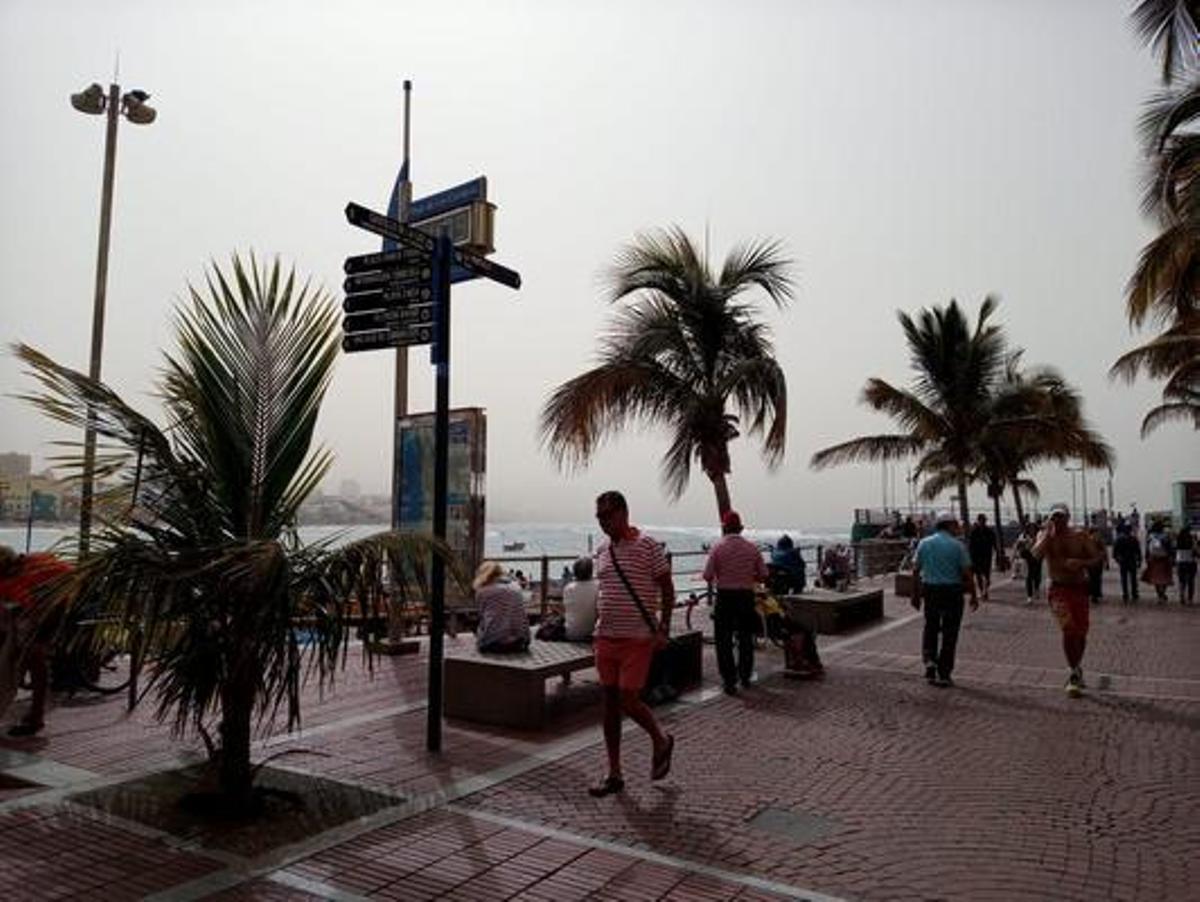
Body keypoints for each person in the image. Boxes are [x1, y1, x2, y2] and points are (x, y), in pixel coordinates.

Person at [588, 490, 675, 797]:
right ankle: (614, 772)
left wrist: (664, 627)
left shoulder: (648, 546)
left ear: (624, 513)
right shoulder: (602, 551)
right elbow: (605, 591)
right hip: (605, 637)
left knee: (628, 699)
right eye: (599, 517)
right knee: (610, 703)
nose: (603, 522)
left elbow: (667, 589)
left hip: (637, 639)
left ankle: (660, 739)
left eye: (607, 515)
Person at [1032, 503, 1106, 698]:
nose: (1058, 520)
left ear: (1068, 518)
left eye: (1061, 517)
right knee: (1068, 629)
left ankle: (1077, 666)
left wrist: (1081, 563)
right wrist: (1047, 536)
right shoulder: (1045, 536)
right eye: (1054, 517)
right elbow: (1035, 555)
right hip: (1057, 589)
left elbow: (1097, 558)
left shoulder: (1079, 536)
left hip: (1079, 588)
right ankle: (1073, 672)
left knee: (1080, 633)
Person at [0, 545, 72, 737]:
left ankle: (36, 717)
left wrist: (41, 636)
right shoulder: (11, 575)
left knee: (36, 661)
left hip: (54, 612)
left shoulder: (39, 569)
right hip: (29, 614)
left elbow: (57, 603)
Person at [702, 510, 768, 695]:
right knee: (745, 637)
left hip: (725, 597)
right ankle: (745, 676)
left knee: (723, 640)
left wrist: (721, 577)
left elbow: (707, 575)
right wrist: (749, 577)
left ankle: (729, 680)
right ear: (741, 529)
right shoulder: (752, 548)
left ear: (724, 528)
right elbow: (764, 574)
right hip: (746, 596)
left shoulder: (717, 548)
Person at [911, 511, 978, 687]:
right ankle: (944, 672)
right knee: (950, 632)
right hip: (952, 592)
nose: (958, 527)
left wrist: (915, 594)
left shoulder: (924, 543)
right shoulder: (958, 546)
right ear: (949, 525)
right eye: (956, 524)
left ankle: (930, 661)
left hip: (931, 590)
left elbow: (916, 570)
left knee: (931, 627)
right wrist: (974, 595)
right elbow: (967, 573)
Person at [472, 560, 530, 653]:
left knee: (480, 627)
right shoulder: (516, 587)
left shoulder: (483, 591)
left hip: (495, 643)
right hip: (521, 642)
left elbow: (482, 615)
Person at [562, 556, 598, 640]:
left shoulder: (568, 588)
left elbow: (566, 609)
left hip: (571, 633)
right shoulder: (598, 586)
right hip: (593, 633)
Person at [968, 514, 997, 602]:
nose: (982, 522)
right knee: (979, 575)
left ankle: (985, 591)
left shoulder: (989, 532)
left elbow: (994, 543)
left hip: (986, 556)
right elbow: (970, 545)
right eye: (981, 520)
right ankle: (982, 591)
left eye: (983, 520)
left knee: (986, 575)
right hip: (976, 556)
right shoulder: (974, 532)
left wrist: (998, 553)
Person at [1144, 520, 1174, 603]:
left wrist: (1147, 557)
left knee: (1155, 578)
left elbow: (1147, 549)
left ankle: (1159, 594)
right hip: (1164, 559)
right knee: (1165, 577)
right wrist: (1171, 557)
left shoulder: (1150, 536)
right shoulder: (1166, 536)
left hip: (1154, 559)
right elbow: (1170, 548)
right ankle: (1163, 592)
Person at [1014, 522, 1043, 605]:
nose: (1031, 530)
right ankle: (1029, 596)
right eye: (1030, 528)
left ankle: (1036, 588)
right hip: (1028, 557)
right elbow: (1017, 546)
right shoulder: (1023, 536)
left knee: (1037, 575)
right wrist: (1022, 545)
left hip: (1037, 557)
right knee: (1029, 576)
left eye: (1033, 528)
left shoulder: (1039, 536)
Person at [1112, 524, 1142, 604]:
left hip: (1123, 561)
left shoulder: (1119, 540)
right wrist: (1139, 560)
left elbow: (1115, 552)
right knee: (1133, 578)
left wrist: (1117, 559)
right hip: (1132, 560)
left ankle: (1125, 594)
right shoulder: (1134, 539)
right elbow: (1138, 551)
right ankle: (1134, 593)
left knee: (1124, 578)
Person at [1175, 524, 1196, 605]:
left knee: (1181, 581)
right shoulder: (1191, 539)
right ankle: (1190, 599)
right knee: (1191, 581)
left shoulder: (1178, 540)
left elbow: (1174, 550)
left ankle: (1182, 596)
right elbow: (1195, 551)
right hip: (1190, 562)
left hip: (1180, 562)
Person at [1086, 528, 1108, 605]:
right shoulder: (1090, 541)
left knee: (1095, 578)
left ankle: (1095, 593)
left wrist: (1106, 561)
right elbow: (1104, 551)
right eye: (1096, 533)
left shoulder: (1092, 540)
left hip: (1096, 563)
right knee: (1094, 579)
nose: (1097, 534)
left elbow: (1104, 551)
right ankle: (1094, 593)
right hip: (1093, 563)